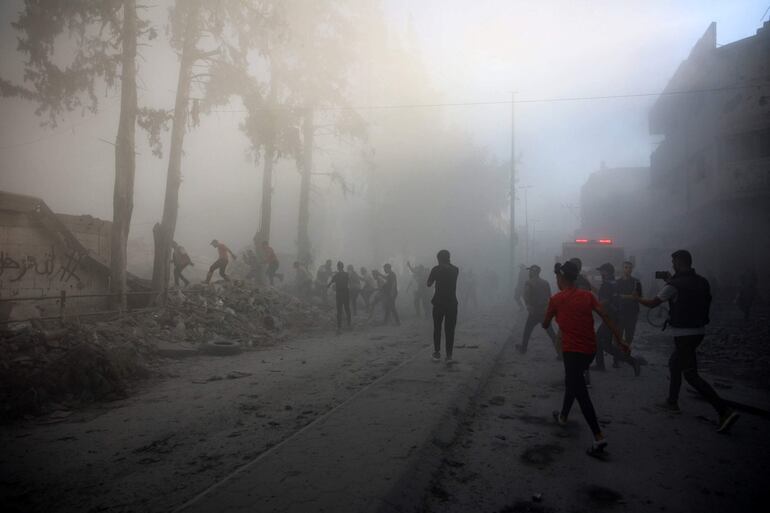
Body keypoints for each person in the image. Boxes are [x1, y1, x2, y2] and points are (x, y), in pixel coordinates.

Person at [635, 249, 739, 433]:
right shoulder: (702, 281)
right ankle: (672, 402)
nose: (672, 265)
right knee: (675, 363)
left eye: (673, 261)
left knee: (690, 374)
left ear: (679, 262)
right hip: (699, 331)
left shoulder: (674, 285)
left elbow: (652, 303)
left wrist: (637, 298)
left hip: (684, 333)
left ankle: (724, 411)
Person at [543, 260, 629, 455]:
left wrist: (554, 316)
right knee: (572, 382)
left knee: (580, 391)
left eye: (557, 277)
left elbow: (545, 323)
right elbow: (605, 316)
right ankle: (563, 417)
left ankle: (599, 437)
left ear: (561, 278)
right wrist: (621, 341)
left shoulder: (556, 299)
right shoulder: (588, 296)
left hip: (572, 352)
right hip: (589, 351)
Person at [594, 263, 641, 375]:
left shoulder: (606, 284)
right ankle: (630, 361)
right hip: (615, 316)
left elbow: (605, 300)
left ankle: (630, 361)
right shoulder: (615, 282)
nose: (600, 273)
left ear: (606, 272)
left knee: (600, 341)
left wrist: (593, 306)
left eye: (602, 271)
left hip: (609, 317)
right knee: (606, 344)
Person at [516, 265, 559, 357]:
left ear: (532, 272)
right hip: (544, 311)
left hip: (534, 312)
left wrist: (528, 307)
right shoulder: (545, 283)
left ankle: (523, 348)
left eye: (530, 271)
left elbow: (526, 296)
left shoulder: (529, 283)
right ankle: (560, 352)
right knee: (551, 333)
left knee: (527, 331)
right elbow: (549, 297)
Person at [427, 250, 459, 362]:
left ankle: (436, 353)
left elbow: (428, 284)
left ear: (439, 259)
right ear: (449, 258)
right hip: (452, 303)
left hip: (438, 303)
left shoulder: (436, 269)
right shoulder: (455, 269)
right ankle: (449, 355)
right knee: (450, 329)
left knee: (437, 328)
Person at [615, 260, 642, 368]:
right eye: (626, 267)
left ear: (632, 269)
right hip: (621, 313)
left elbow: (638, 296)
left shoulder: (636, 282)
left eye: (630, 268)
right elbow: (616, 296)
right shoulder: (618, 282)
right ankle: (616, 358)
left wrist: (624, 296)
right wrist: (630, 296)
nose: (628, 270)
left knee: (629, 337)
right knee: (619, 337)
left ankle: (626, 357)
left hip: (632, 313)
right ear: (622, 269)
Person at [328, 261, 351, 332]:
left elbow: (330, 284)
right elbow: (349, 283)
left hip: (339, 294)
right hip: (346, 293)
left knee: (339, 311)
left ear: (338, 267)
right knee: (347, 309)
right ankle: (349, 325)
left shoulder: (336, 275)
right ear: (343, 267)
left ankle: (339, 327)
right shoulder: (347, 274)